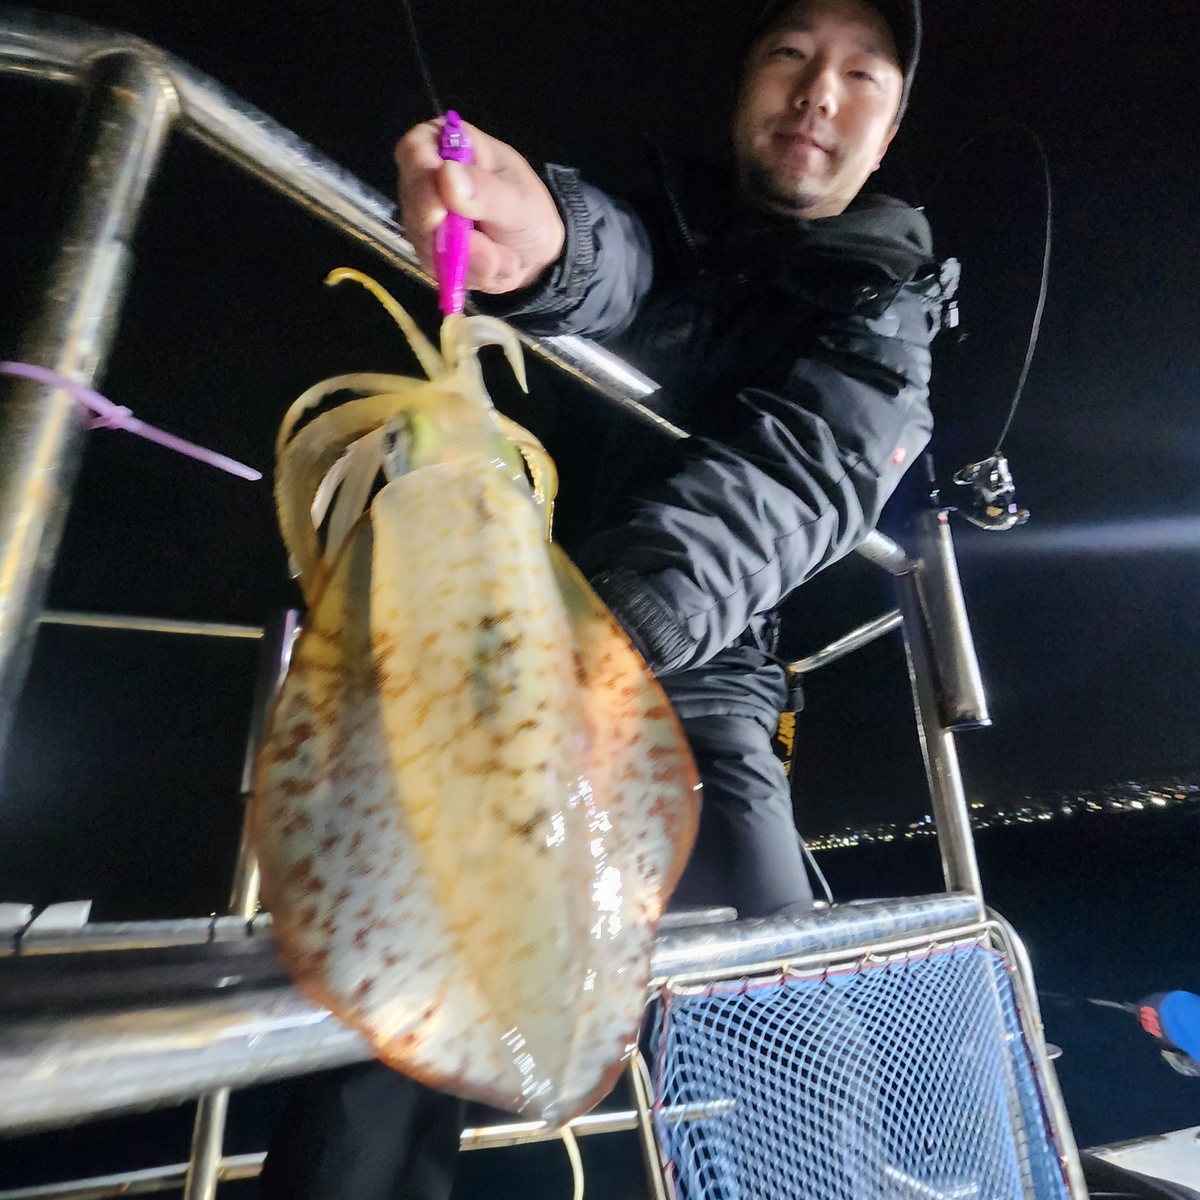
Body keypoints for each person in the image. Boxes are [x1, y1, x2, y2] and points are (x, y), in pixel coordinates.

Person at [261, 1, 958, 1195]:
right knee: (394, 1001)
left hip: (696, 674)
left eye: (861, 76)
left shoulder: (883, 302)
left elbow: (808, 470)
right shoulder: (659, 214)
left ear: (887, 132)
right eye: (789, 56)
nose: (817, 94)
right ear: (744, 85)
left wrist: (599, 644)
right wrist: (543, 243)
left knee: (785, 1000)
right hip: (489, 654)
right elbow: (611, 266)